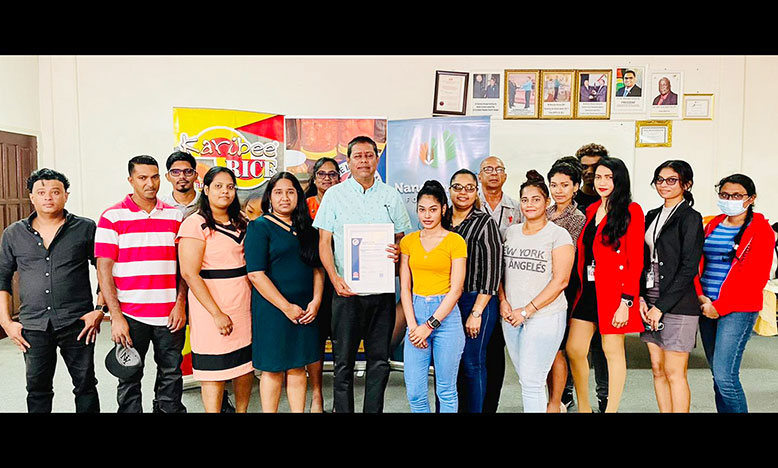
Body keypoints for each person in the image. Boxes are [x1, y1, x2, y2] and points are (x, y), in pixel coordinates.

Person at [313, 135, 412, 413]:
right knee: (342, 362)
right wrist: (335, 279)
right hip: (346, 293)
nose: (364, 161)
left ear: (377, 160)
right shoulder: (335, 195)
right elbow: (324, 243)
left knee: (379, 361)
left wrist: (396, 252)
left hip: (381, 294)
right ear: (349, 161)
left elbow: (402, 239)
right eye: (358, 156)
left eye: (369, 155)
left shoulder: (390, 195)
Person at [0, 168, 103, 413]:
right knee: (37, 388)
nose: (49, 197)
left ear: (66, 195)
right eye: (42, 192)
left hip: (78, 322)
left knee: (85, 385)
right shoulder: (13, 233)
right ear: (31, 197)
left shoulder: (86, 228)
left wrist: (99, 309)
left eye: (55, 192)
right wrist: (6, 323)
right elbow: (2, 279)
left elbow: (104, 271)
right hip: (33, 326)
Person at [95, 155, 188, 413]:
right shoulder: (111, 217)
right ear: (131, 180)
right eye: (143, 178)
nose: (151, 183)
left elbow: (184, 268)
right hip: (129, 314)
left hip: (169, 314)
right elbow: (104, 270)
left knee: (171, 375)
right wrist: (115, 317)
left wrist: (180, 304)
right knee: (128, 378)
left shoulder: (175, 216)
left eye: (155, 176)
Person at [566, 157, 645, 413]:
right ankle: (584, 407)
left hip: (614, 292)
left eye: (608, 177)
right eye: (598, 177)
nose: (602, 182)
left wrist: (627, 301)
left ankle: (611, 409)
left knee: (612, 351)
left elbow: (635, 259)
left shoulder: (632, 210)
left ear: (619, 179)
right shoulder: (590, 211)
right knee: (575, 349)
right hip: (587, 290)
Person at [177, 166, 254, 413]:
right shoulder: (195, 224)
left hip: (243, 303)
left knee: (244, 366)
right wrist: (216, 313)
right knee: (214, 370)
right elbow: (189, 273)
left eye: (230, 187)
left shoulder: (243, 221)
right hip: (211, 306)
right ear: (206, 189)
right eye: (218, 186)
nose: (225, 191)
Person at [696, 173, 774, 413]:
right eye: (724, 195)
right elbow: (699, 263)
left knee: (725, 376)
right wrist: (701, 296)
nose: (729, 199)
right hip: (706, 304)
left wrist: (719, 306)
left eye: (737, 196)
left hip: (737, 309)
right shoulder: (712, 223)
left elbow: (755, 279)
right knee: (717, 376)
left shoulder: (760, 230)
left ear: (751, 198)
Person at [245, 172, 323, 412]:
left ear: (298, 197)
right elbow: (256, 274)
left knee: (298, 367)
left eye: (290, 192)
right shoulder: (259, 227)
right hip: (273, 309)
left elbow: (318, 268)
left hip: (305, 309)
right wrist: (286, 307)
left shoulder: (308, 228)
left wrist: (316, 301)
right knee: (272, 369)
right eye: (278, 192)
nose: (284, 197)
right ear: (270, 196)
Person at [500, 170, 575, 412]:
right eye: (524, 199)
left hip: (544, 316)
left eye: (536, 199)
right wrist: (503, 301)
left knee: (532, 382)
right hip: (512, 317)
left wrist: (528, 310)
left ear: (546, 202)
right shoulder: (511, 233)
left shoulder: (558, 235)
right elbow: (501, 273)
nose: (529, 204)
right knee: (527, 379)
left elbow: (561, 281)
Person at [638, 160, 703, 413]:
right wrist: (643, 298)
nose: (664, 185)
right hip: (650, 293)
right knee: (657, 368)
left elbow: (689, 267)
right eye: (660, 179)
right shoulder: (652, 215)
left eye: (671, 180)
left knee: (675, 371)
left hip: (677, 299)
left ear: (686, 184)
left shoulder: (690, 218)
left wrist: (661, 307)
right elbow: (643, 259)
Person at [400, 180, 467, 412]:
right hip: (415, 315)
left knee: (446, 390)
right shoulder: (408, 242)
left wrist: (429, 325)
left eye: (433, 209)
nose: (427, 215)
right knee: (416, 392)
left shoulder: (455, 241)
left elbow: (456, 289)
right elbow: (405, 287)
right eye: (422, 209)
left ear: (444, 209)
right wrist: (412, 326)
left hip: (446, 318)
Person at [447, 169, 502, 412]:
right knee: (450, 365)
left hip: (477, 300)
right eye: (458, 187)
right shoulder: (441, 220)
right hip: (447, 302)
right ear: (449, 190)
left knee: (472, 363)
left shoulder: (484, 222)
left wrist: (477, 312)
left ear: (476, 191)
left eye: (469, 188)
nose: (463, 192)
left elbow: (493, 271)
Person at [478, 155, 521, 412]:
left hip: (507, 290)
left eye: (499, 169)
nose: (493, 173)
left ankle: (490, 405)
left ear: (505, 176)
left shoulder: (517, 208)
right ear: (480, 175)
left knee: (495, 350)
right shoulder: (469, 204)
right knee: (474, 352)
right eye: (488, 169)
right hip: (475, 288)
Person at [570, 143, 610, 411]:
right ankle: (568, 394)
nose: (589, 172)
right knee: (572, 346)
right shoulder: (571, 201)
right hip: (572, 282)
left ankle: (604, 397)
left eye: (595, 168)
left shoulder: (610, 203)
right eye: (584, 167)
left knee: (602, 347)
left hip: (602, 285)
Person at [544, 158, 586, 413]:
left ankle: (557, 400)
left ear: (576, 187)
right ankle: (551, 397)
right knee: (546, 348)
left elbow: (564, 257)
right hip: (538, 284)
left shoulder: (577, 218)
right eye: (554, 185)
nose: (558, 190)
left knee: (558, 348)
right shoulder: (546, 212)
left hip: (563, 286)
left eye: (564, 185)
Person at [303, 156, 341, 412]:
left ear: (339, 177)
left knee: (342, 341)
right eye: (322, 174)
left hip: (341, 281)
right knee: (314, 342)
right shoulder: (303, 206)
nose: (327, 179)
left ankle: (341, 398)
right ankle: (317, 396)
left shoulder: (346, 201)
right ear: (314, 178)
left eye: (332, 174)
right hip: (311, 281)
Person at [159, 150, 200, 217]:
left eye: (188, 171)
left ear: (196, 175)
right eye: (175, 172)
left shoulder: (207, 202)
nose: (182, 176)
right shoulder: (161, 206)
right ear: (167, 176)